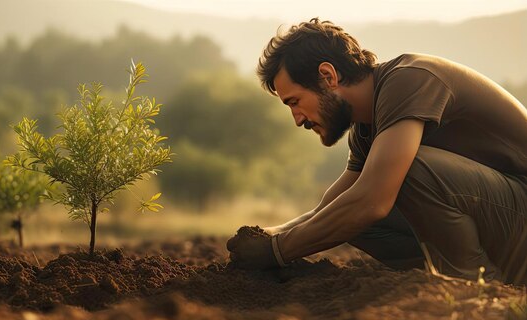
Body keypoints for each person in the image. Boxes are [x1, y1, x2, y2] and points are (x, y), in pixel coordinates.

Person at [226, 18, 527, 285]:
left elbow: (373, 200)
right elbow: (331, 208)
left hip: (520, 213)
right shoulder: (368, 127)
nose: (297, 119)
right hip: (504, 223)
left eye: (294, 102)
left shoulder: (410, 79)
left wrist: (277, 252)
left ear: (327, 76)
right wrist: (267, 235)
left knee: (398, 176)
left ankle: (476, 286)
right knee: (344, 215)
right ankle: (449, 278)